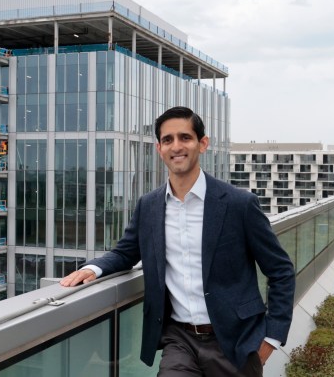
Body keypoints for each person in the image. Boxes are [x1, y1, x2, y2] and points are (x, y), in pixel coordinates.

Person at [60, 106, 295, 376]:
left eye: (185, 137)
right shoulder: (149, 206)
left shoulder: (239, 204)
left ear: (202, 144)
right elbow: (126, 253)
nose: (176, 146)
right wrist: (93, 269)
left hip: (236, 340)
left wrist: (272, 338)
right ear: (159, 148)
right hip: (179, 340)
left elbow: (281, 271)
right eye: (168, 140)